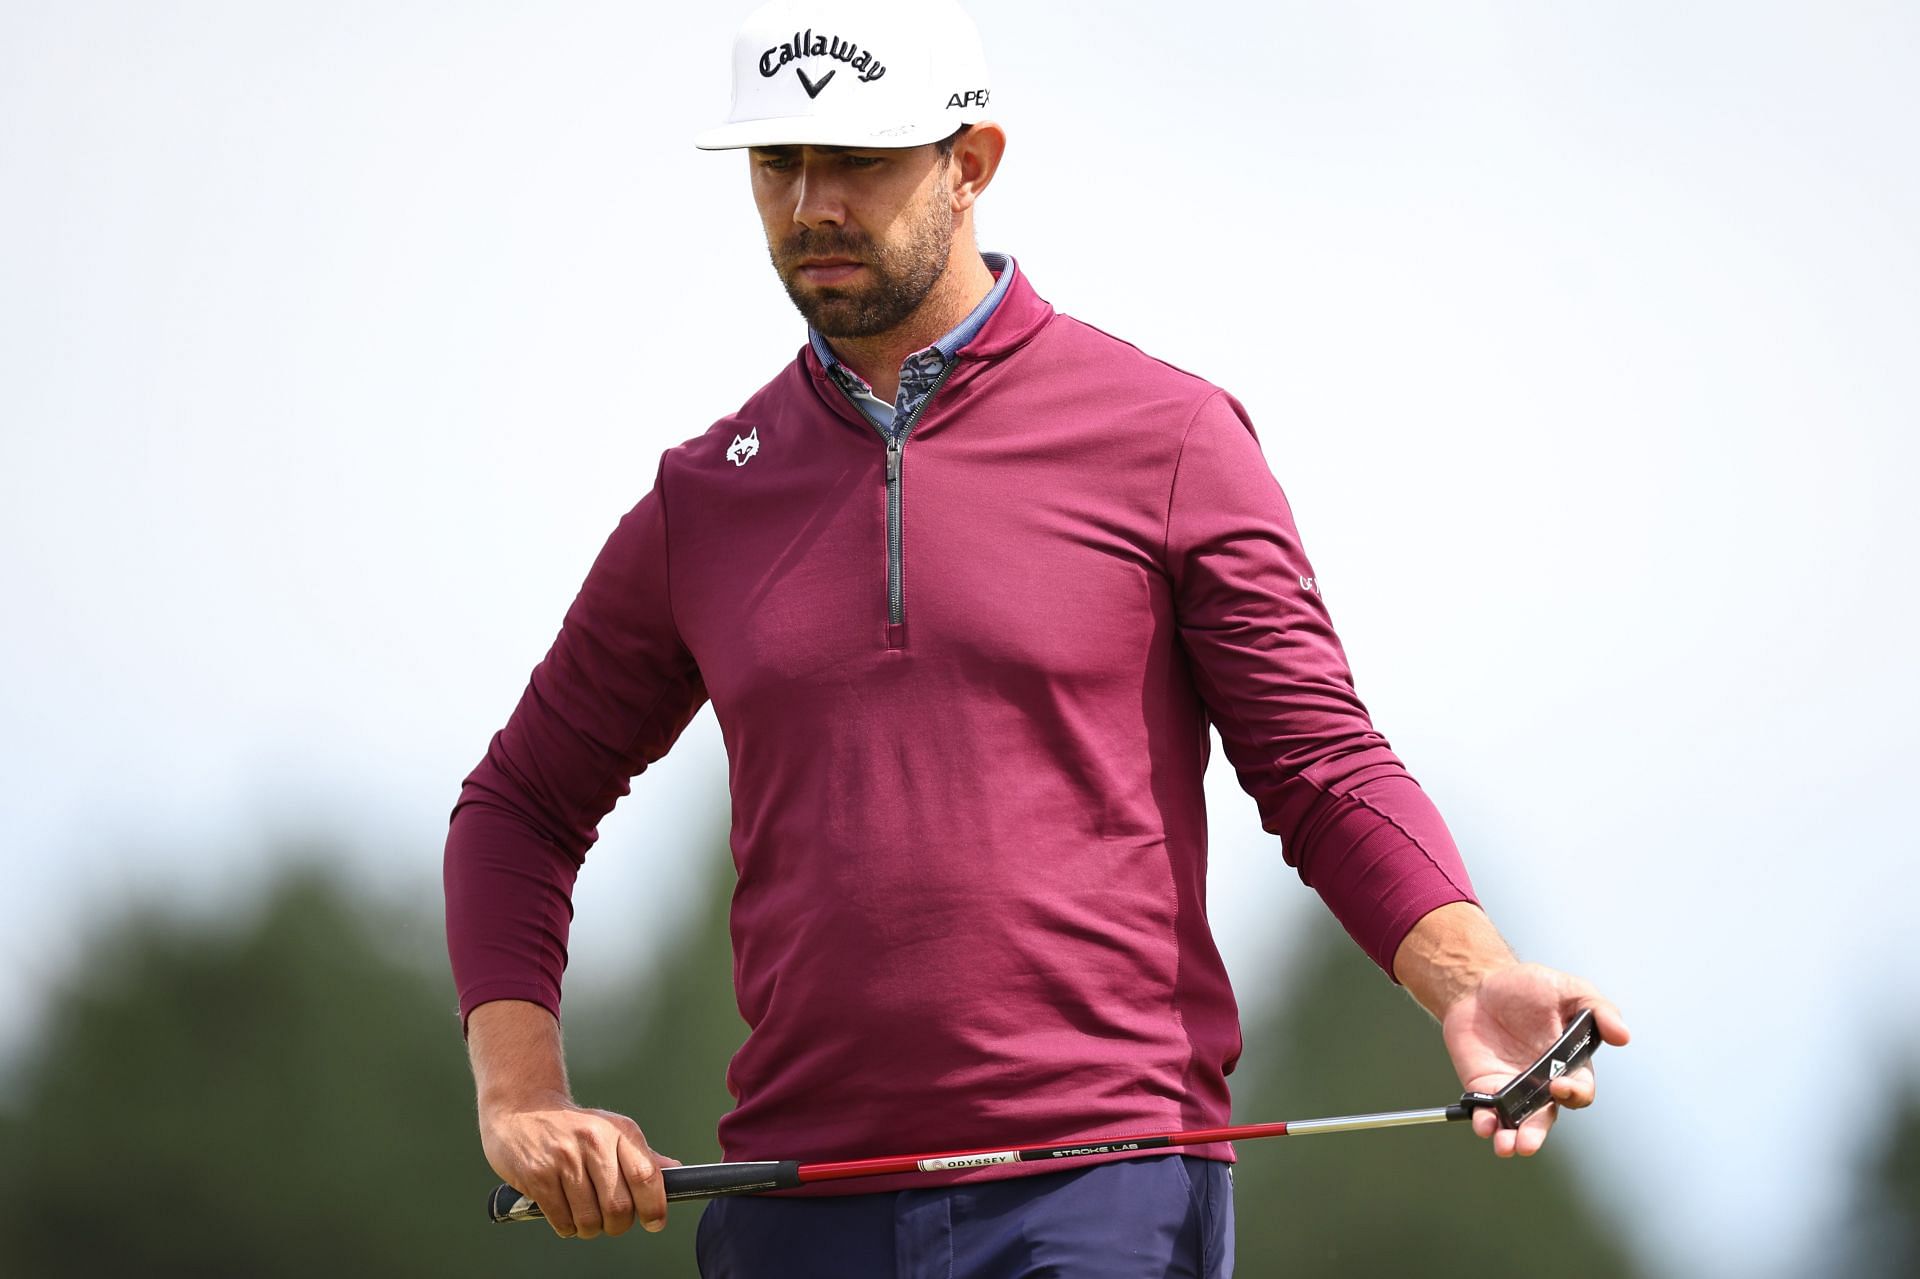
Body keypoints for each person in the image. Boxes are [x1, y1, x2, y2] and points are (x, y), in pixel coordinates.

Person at [443, 1, 1630, 1274]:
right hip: (795, 1207)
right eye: (778, 164)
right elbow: (519, 805)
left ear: (971, 163)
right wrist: (523, 1095)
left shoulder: (1167, 438)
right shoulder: (704, 498)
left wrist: (1471, 973)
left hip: (1104, 1195)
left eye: (858, 161)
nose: (811, 205)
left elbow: (1321, 766)